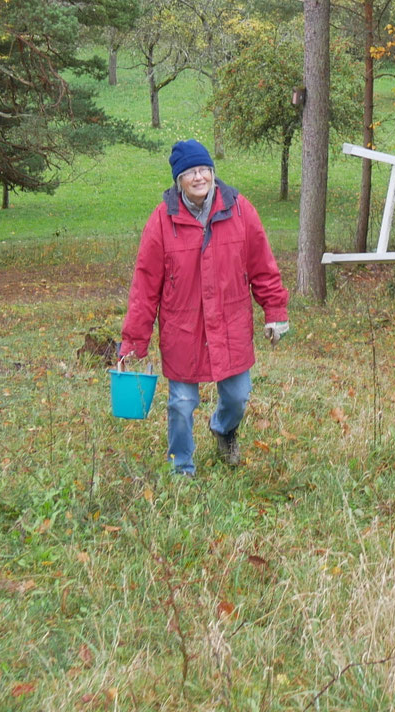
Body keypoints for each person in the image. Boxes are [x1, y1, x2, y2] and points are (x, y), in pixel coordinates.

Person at [120, 139, 290, 476]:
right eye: (191, 173)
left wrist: (275, 312)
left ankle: (224, 429)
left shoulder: (240, 209)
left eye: (204, 170)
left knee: (239, 396)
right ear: (178, 180)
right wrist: (134, 342)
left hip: (231, 325)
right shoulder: (162, 221)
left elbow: (263, 266)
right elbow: (145, 285)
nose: (199, 177)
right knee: (182, 404)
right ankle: (182, 466)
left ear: (213, 172)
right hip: (182, 329)